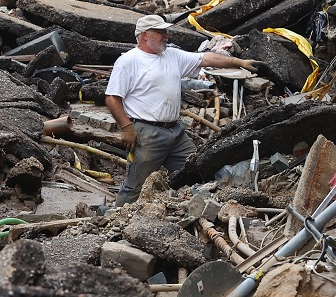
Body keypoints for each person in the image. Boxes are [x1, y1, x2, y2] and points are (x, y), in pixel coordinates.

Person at [105, 15, 262, 206]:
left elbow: (206, 58)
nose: (166, 35)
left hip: (175, 132)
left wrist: (239, 62)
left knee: (196, 168)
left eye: (165, 31)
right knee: (136, 184)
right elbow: (112, 97)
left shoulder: (172, 55)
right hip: (147, 134)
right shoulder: (129, 61)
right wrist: (126, 127)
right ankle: (116, 220)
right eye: (161, 32)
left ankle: (193, 208)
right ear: (146, 36)